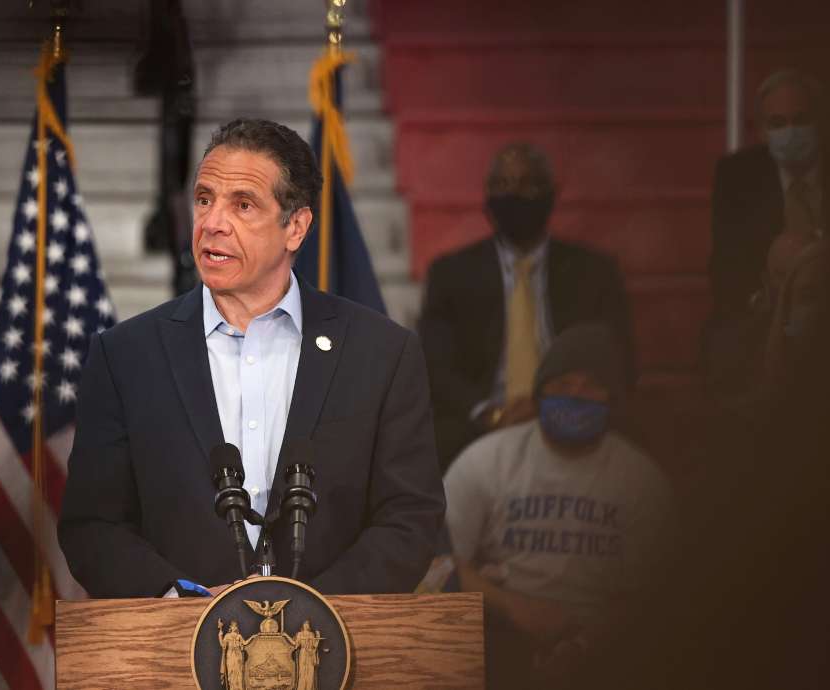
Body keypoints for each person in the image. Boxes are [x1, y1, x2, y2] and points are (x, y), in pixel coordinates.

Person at [58, 118, 445, 597]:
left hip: (336, 649)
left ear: (296, 227)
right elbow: (93, 526)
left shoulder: (382, 354)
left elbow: (409, 518)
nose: (213, 223)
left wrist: (315, 614)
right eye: (204, 199)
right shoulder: (124, 357)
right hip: (177, 649)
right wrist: (180, 604)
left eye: (242, 205)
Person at [443, 324, 672, 688]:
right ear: (539, 392)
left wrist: (584, 644)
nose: (576, 396)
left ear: (612, 399)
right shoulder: (486, 461)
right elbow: (439, 561)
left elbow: (654, 594)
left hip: (607, 649)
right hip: (499, 632)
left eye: (591, 385)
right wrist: (514, 609)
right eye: (563, 385)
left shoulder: (640, 479)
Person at [418, 142, 634, 470]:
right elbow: (435, 367)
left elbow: (618, 357)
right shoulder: (451, 273)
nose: (514, 194)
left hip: (574, 408)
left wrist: (555, 404)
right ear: (487, 197)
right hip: (482, 420)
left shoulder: (594, 271)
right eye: (502, 185)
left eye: (527, 185)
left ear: (551, 194)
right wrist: (492, 413)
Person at [708, 69, 826, 322]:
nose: (791, 131)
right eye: (778, 123)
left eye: (801, 119)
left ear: (820, 122)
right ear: (762, 131)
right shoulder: (737, 176)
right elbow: (725, 266)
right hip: (765, 319)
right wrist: (760, 303)